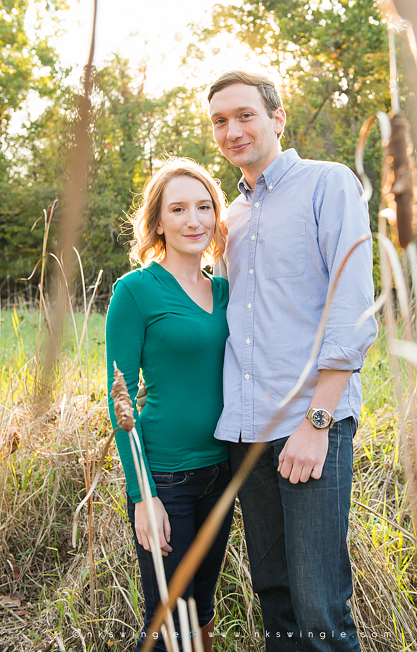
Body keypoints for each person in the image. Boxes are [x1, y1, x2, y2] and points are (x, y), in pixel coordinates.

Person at [208, 70, 378, 651]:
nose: (232, 131)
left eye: (245, 115)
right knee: (276, 601)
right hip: (247, 435)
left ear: (277, 119)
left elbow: (353, 310)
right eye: (220, 122)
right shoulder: (226, 220)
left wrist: (317, 423)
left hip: (310, 426)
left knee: (319, 607)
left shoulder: (327, 184)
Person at [106, 158, 234, 652]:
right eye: (178, 209)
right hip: (166, 477)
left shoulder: (226, 292)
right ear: (158, 222)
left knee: (201, 609)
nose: (193, 220)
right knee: (167, 620)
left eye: (204, 207)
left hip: (221, 472)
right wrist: (143, 495)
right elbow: (119, 399)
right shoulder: (135, 291)